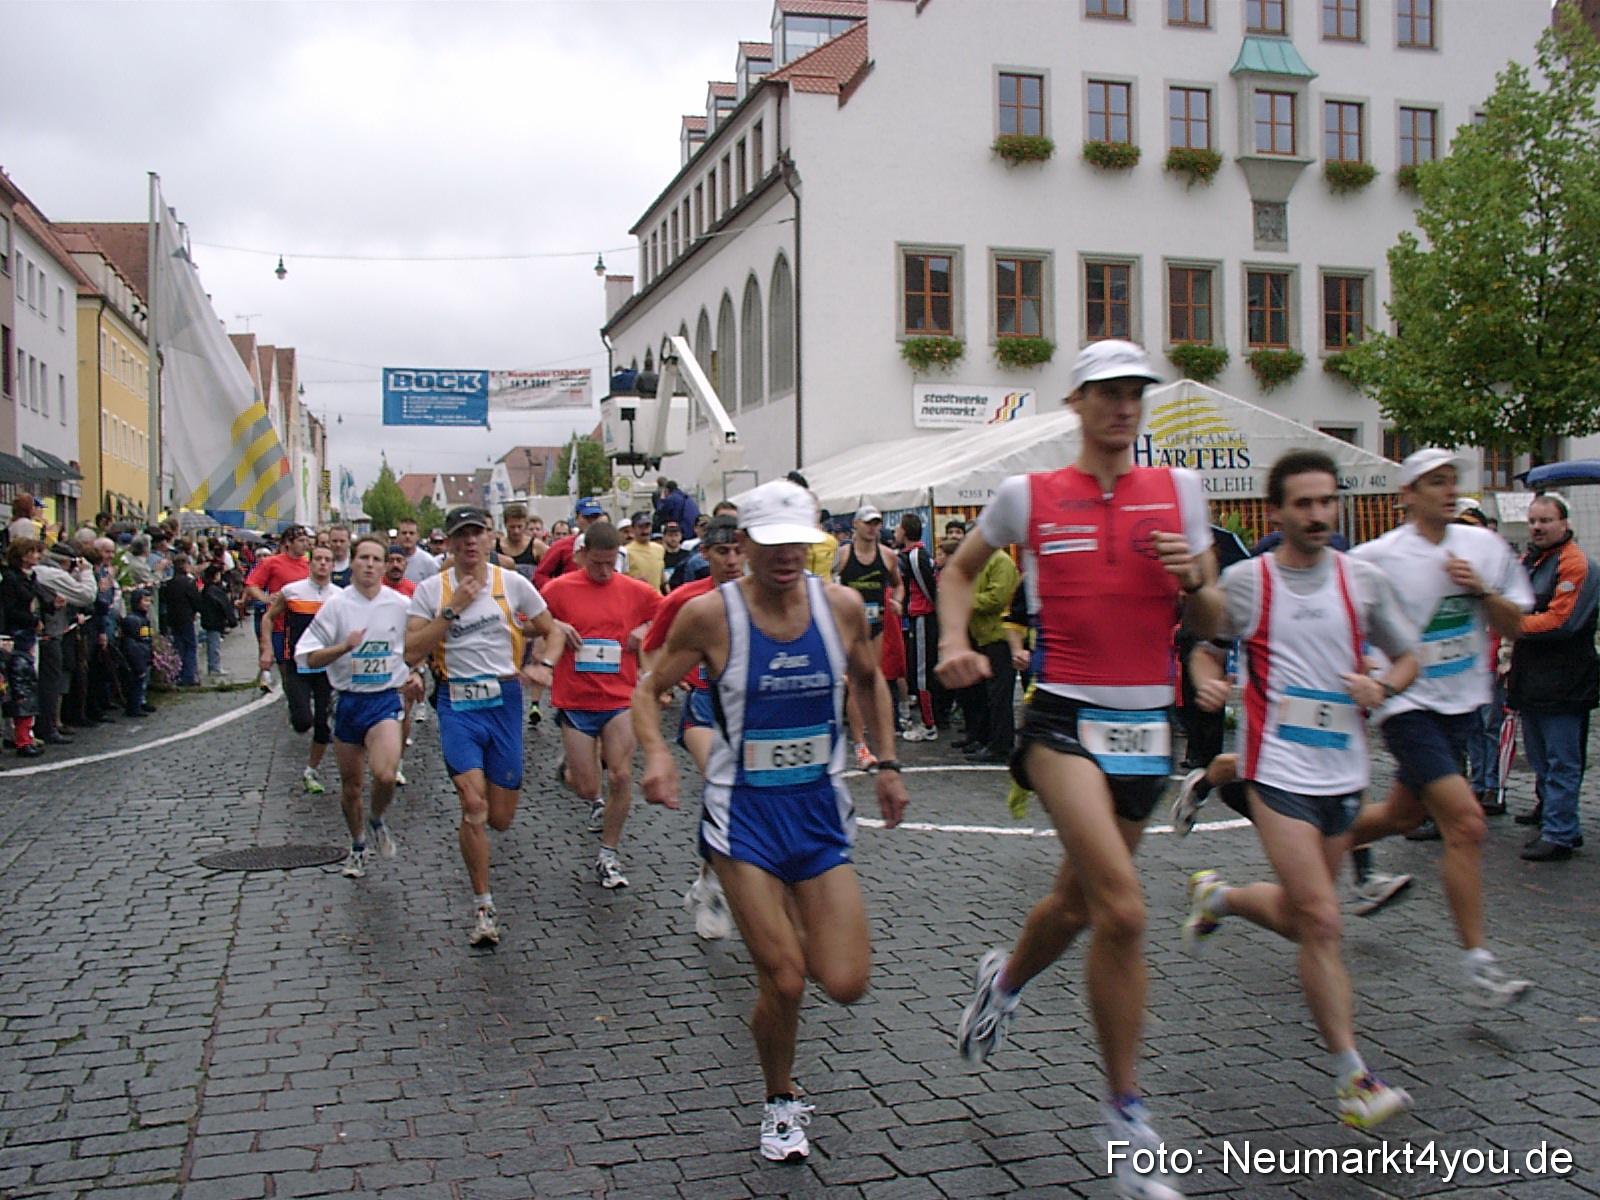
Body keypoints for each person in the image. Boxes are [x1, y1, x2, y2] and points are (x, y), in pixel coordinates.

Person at [940, 340, 1218, 1200]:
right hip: (1060, 719)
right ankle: (1126, 1114)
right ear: (1077, 403)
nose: (1121, 406)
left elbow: (1210, 610)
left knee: (1075, 902)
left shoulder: (1180, 492)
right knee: (1126, 913)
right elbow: (957, 571)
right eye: (1105, 392)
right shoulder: (1029, 495)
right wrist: (953, 640)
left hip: (1149, 723)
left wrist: (1196, 580)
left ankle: (1006, 978)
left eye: (1135, 392)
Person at [635, 479, 909, 1163]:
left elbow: (871, 678)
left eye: (800, 544)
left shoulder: (841, 606)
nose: (787, 556)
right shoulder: (710, 616)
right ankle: (780, 1098)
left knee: (844, 981)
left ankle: (779, 947)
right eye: (772, 543)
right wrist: (656, 757)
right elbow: (648, 689)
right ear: (744, 544)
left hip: (818, 811)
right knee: (785, 978)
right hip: (743, 817)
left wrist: (888, 763)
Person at [1179, 450, 1420, 1129]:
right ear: (1277, 511)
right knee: (1321, 918)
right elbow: (1204, 639)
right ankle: (1354, 1080)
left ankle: (1217, 895)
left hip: (1343, 775)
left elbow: (1408, 656)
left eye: (1327, 501)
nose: (1318, 514)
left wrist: (1384, 685)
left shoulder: (1363, 582)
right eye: (1304, 504)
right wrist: (1206, 677)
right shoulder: (1249, 582)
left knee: (1299, 914)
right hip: (1275, 771)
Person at [1346, 448, 1536, 1007]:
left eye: (1453, 481)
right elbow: (1345, 622)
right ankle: (1479, 966)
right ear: (1407, 494)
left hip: (1462, 707)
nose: (1448, 490)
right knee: (1467, 823)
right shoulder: (1377, 556)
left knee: (1403, 816)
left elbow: (1516, 625)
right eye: (1434, 482)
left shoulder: (1483, 546)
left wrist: (1480, 591)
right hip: (1406, 706)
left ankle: (1318, 843)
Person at [405, 505, 558, 947]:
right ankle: (484, 908)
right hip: (457, 704)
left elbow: (552, 630)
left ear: (489, 538)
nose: (469, 542)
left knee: (501, 818)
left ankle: (485, 870)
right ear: (449, 543)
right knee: (473, 806)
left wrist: (544, 664)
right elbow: (410, 651)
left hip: (505, 700)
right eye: (461, 535)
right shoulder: (431, 591)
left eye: (477, 533)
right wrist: (450, 612)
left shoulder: (513, 584)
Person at [541, 522, 662, 888]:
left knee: (621, 775)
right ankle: (585, 789)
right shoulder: (559, 589)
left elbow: (669, 613)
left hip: (619, 699)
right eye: (597, 564)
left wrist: (646, 630)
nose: (605, 572)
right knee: (585, 785)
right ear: (581, 556)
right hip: (575, 700)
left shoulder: (635, 590)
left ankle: (608, 854)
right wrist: (557, 625)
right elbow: (529, 622)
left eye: (612, 564)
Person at [639, 515, 744, 936]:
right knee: (722, 784)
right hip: (702, 703)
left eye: (739, 550)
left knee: (737, 798)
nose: (733, 560)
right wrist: (659, 686)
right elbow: (650, 648)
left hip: (750, 711)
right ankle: (716, 889)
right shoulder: (685, 599)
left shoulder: (765, 595)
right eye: (723, 551)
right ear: (705, 554)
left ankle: (706, 877)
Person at [296, 535, 423, 878]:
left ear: (384, 566)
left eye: (376, 559)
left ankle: (377, 818)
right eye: (363, 557)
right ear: (351, 563)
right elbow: (307, 655)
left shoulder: (400, 604)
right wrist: (343, 647)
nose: (369, 564)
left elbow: (417, 644)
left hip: (384, 700)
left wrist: (415, 672)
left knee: (384, 773)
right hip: (348, 701)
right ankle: (357, 845)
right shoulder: (337, 605)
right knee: (351, 786)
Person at [1507, 493, 1597, 862]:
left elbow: (1562, 621)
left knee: (1562, 759)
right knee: (1542, 756)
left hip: (1565, 677)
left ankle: (1560, 831)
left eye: (1545, 521)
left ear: (1564, 524)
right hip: (1534, 674)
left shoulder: (1575, 563)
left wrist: (1514, 624)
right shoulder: (1532, 560)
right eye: (1533, 521)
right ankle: (1552, 818)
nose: (1537, 527)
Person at [261, 544, 340, 795]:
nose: (323, 564)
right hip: (297, 664)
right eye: (318, 559)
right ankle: (296, 713)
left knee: (322, 723)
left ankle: (311, 770)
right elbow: (269, 617)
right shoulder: (292, 591)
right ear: (310, 563)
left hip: (326, 666)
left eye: (328, 560)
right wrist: (266, 649)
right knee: (303, 720)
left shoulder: (339, 596)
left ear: (333, 565)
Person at [833, 504, 902, 768]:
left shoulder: (887, 556)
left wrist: (897, 601)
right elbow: (826, 585)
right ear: (856, 525)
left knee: (873, 680)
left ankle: (879, 743)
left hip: (875, 625)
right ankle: (861, 745)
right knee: (854, 683)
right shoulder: (842, 554)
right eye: (868, 523)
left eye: (877, 523)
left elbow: (897, 584)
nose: (873, 528)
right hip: (849, 628)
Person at [953, 543, 1019, 764]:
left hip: (998, 637)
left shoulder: (1001, 562)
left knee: (999, 696)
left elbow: (996, 598)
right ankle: (986, 739)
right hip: (984, 636)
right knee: (986, 694)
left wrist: (966, 600)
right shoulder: (986, 562)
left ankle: (1001, 746)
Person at [1, 539, 49, 755]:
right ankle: (20, 737)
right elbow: (10, 610)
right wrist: (31, 620)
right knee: (20, 686)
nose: (38, 556)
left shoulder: (30, 578)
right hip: (17, 636)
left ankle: (25, 735)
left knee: (27, 683)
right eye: (33, 552)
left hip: (29, 635)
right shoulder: (11, 580)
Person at [897, 512, 941, 742]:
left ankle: (929, 724)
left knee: (922, 672)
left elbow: (929, 588)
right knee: (920, 669)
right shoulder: (913, 555)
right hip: (919, 615)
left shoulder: (915, 556)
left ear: (904, 532)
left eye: (898, 529)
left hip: (924, 615)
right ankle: (932, 719)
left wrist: (931, 610)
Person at [160, 554, 204, 687]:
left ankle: (177, 673)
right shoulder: (189, 583)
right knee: (190, 646)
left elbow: (164, 599)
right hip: (186, 616)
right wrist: (196, 610)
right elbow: (196, 600)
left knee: (178, 645)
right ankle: (189, 675)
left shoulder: (169, 583)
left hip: (173, 617)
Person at [119, 589, 157, 719]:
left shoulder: (142, 619)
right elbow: (136, 641)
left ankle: (140, 702)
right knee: (136, 682)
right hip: (137, 655)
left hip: (143, 653)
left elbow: (146, 638)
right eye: (145, 600)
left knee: (142, 681)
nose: (147, 604)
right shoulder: (134, 620)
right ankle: (134, 706)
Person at [198, 564, 235, 679]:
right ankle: (214, 667)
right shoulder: (214, 590)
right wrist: (231, 620)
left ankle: (214, 666)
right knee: (214, 644)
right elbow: (224, 605)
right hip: (214, 621)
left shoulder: (207, 589)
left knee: (212, 642)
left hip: (210, 621)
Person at [494, 503, 544, 580]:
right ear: (505, 525)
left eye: (519, 526)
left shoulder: (537, 547)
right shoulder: (495, 547)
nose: (516, 531)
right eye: (512, 527)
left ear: (525, 525)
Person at [623, 511, 665, 592]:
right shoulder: (625, 551)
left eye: (647, 526)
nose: (644, 531)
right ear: (633, 528)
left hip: (656, 598)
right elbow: (618, 581)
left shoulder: (659, 549)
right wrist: (635, 581)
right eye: (640, 527)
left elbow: (662, 577)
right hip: (636, 599)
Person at [395, 518, 440, 585]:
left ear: (418, 536)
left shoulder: (429, 562)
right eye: (404, 533)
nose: (407, 536)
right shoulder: (389, 560)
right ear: (397, 536)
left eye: (411, 533)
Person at [660, 521, 689, 586]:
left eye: (676, 535)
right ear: (664, 537)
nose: (673, 538)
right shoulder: (660, 556)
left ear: (681, 536)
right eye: (670, 535)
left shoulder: (687, 556)